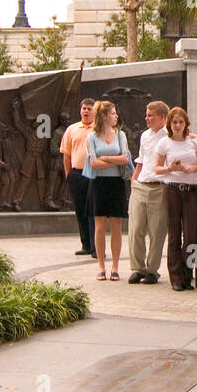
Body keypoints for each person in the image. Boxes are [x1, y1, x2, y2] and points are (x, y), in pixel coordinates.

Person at [155, 106, 197, 291]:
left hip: (191, 189)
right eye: (174, 122)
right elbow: (157, 168)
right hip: (172, 189)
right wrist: (170, 168)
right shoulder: (164, 143)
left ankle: (189, 272)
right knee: (174, 233)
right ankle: (176, 277)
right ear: (170, 124)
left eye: (180, 122)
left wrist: (193, 168)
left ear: (186, 124)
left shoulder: (194, 142)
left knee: (192, 234)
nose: (177, 125)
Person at [82, 100, 131, 280]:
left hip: (116, 182)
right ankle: (101, 266)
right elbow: (93, 162)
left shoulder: (121, 135)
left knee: (117, 225)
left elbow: (125, 159)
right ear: (104, 116)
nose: (116, 116)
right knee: (100, 225)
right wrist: (113, 159)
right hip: (99, 184)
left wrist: (107, 157)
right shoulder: (91, 137)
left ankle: (116, 267)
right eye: (113, 113)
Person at [125, 100, 169, 284]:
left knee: (157, 231)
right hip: (141, 184)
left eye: (151, 115)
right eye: (147, 114)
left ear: (162, 118)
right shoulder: (145, 136)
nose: (147, 118)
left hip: (160, 187)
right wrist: (134, 180)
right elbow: (141, 160)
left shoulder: (170, 137)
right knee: (136, 229)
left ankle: (152, 269)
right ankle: (137, 268)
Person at [60, 101, 98, 255]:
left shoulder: (99, 129)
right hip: (77, 174)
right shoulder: (72, 129)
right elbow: (66, 154)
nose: (86, 111)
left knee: (93, 210)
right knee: (80, 209)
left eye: (89, 109)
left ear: (95, 112)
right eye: (84, 108)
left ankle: (96, 247)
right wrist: (69, 175)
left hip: (94, 174)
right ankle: (86, 244)